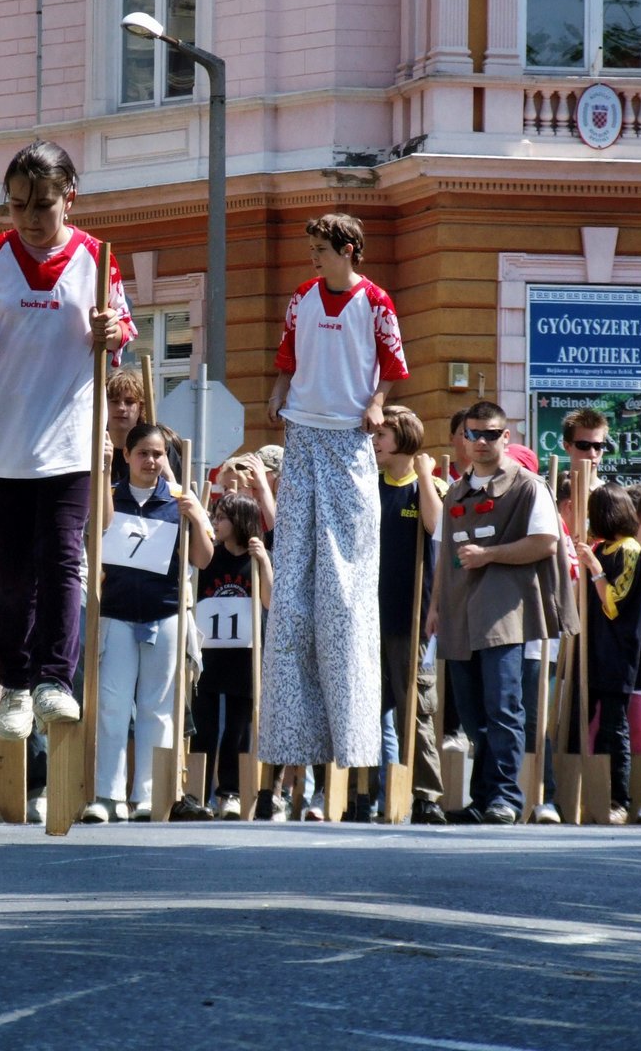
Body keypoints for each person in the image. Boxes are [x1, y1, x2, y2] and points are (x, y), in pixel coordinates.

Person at [0, 141, 134, 738]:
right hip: (6, 441)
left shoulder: (97, 259)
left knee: (62, 558)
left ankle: (55, 678)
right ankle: (15, 683)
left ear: (68, 199)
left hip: (69, 440)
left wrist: (112, 332)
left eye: (43, 205)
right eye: (18, 205)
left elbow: (123, 333)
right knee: (12, 570)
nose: (30, 218)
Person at [261, 211, 408, 772]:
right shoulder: (302, 297)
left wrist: (377, 403)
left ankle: (354, 738)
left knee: (344, 587)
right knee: (293, 577)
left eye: (321, 249)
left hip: (348, 436)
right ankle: (291, 737)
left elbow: (392, 365)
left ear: (348, 250)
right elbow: (288, 354)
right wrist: (278, 391)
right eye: (313, 250)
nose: (314, 258)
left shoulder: (377, 302)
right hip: (302, 430)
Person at [427, 401, 568, 825]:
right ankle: (484, 796)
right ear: (463, 438)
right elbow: (444, 554)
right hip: (460, 611)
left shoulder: (529, 486)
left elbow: (545, 542)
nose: (481, 442)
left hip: (506, 610)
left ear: (506, 437)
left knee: (503, 706)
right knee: (472, 713)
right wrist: (435, 606)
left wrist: (490, 555)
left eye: (491, 434)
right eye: (473, 434)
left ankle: (505, 796)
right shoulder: (455, 491)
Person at [85, 422, 213, 822]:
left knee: (157, 707)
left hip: (165, 612)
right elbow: (97, 534)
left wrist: (195, 517)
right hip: (117, 614)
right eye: (143, 453)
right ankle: (108, 795)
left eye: (158, 454)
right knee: (112, 705)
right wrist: (103, 472)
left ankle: (147, 795)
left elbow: (202, 558)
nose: (151, 461)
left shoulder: (179, 499)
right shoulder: (109, 496)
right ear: (127, 456)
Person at [372, 404, 446, 824]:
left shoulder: (428, 485)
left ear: (403, 439)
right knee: (365, 708)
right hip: (369, 616)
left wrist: (424, 476)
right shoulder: (369, 483)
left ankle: (426, 796)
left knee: (414, 710)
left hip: (410, 615)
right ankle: (363, 793)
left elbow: (437, 528)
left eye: (381, 435)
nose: (374, 442)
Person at [572, 483, 641, 825]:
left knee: (613, 726)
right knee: (578, 719)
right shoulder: (600, 548)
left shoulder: (629, 550)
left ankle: (619, 798)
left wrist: (595, 568)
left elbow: (615, 602)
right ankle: (582, 795)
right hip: (592, 647)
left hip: (617, 650)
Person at [192, 490, 271, 817]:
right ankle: (197, 792)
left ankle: (231, 793)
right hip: (208, 654)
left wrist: (264, 561)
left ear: (239, 521)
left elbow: (270, 600)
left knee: (238, 728)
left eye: (222, 517)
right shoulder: (209, 555)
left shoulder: (255, 559)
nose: (216, 522)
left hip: (244, 656)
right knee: (205, 725)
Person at [562, 408, 611, 476]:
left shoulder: (613, 484)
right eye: (584, 445)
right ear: (567, 447)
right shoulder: (553, 483)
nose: (592, 454)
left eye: (598, 446)